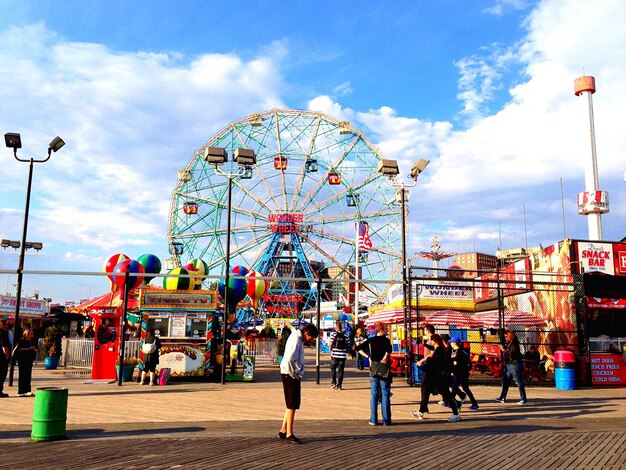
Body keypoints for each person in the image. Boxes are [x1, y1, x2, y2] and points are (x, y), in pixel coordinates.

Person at [278, 323, 319, 444]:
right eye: (311, 338)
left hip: (288, 372)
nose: (311, 341)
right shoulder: (296, 340)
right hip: (290, 374)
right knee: (292, 404)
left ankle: (283, 429)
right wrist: (295, 375)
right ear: (306, 334)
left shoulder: (296, 338)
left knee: (290, 403)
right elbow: (290, 359)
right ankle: (290, 433)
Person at [411, 333, 461, 422]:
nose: (431, 341)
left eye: (432, 340)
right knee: (425, 392)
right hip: (432, 377)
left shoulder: (440, 350)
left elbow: (436, 362)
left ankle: (456, 412)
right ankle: (422, 410)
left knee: (446, 395)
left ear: (435, 341)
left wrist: (426, 362)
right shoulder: (437, 349)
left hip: (437, 378)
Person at [357, 322, 393, 426]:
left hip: (374, 368)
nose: (387, 330)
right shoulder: (386, 341)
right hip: (384, 369)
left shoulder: (370, 340)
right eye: (386, 329)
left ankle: (373, 419)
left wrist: (368, 357)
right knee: (385, 394)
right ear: (381, 330)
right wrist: (385, 357)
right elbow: (389, 351)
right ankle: (386, 420)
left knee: (374, 395)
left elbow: (359, 348)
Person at [495, 329, 528, 404]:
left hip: (515, 364)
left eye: (507, 337)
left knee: (519, 382)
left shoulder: (514, 343)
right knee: (505, 380)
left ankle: (523, 399)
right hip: (509, 364)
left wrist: (504, 350)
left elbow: (512, 353)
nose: (506, 338)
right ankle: (502, 397)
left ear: (510, 336)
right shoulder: (509, 343)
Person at [449, 337, 479, 411]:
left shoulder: (461, 352)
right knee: (465, 388)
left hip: (461, 373)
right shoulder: (453, 351)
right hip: (457, 373)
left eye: (452, 342)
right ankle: (474, 403)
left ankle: (453, 403)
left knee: (454, 388)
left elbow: (463, 363)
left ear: (455, 343)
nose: (450, 343)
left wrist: (457, 370)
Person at [16, 329, 38, 397]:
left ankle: (28, 390)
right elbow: (19, 349)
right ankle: (21, 391)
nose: (32, 335)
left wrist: (35, 349)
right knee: (22, 375)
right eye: (30, 334)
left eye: (32, 334)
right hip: (22, 360)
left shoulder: (32, 341)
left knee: (28, 375)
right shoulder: (22, 340)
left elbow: (36, 348)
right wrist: (30, 348)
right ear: (26, 334)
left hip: (29, 359)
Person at [329, 323, 349, 390]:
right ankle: (339, 385)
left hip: (334, 355)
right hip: (342, 355)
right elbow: (348, 343)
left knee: (333, 369)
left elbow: (331, 344)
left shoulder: (333, 334)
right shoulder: (345, 335)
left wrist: (331, 351)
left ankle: (333, 383)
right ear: (341, 327)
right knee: (341, 370)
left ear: (336, 327)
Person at [0, 320, 11, 398]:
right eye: (7, 324)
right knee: (2, 373)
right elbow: (4, 345)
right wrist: (7, 355)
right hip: (1, 357)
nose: (8, 326)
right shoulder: (3, 333)